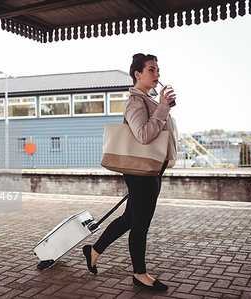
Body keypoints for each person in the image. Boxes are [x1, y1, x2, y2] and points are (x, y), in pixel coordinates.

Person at [82, 53, 177, 292]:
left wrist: (164, 108)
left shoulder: (148, 100)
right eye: (152, 70)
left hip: (150, 170)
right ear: (138, 74)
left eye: (158, 70)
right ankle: (140, 274)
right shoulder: (136, 101)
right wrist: (163, 107)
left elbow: (160, 132)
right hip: (141, 172)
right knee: (140, 224)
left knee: (130, 219)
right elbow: (144, 135)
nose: (157, 75)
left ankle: (94, 250)